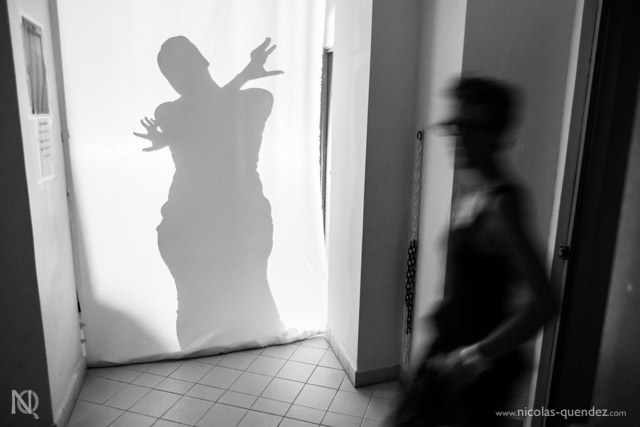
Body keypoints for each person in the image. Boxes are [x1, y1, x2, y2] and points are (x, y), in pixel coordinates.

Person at [394, 77, 556, 426]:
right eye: (457, 125)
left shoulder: (502, 205)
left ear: (499, 134)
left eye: (474, 127)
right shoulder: (472, 192)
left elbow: (543, 301)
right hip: (448, 351)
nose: (461, 137)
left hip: (473, 372)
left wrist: (472, 358)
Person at [133, 37, 286, 352]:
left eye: (179, 70)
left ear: (203, 62)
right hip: (198, 226)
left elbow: (206, 116)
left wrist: (171, 139)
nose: (178, 79)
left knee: (243, 300)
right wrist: (244, 75)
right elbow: (207, 114)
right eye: (172, 74)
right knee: (207, 306)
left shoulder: (254, 100)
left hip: (230, 224)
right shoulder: (173, 113)